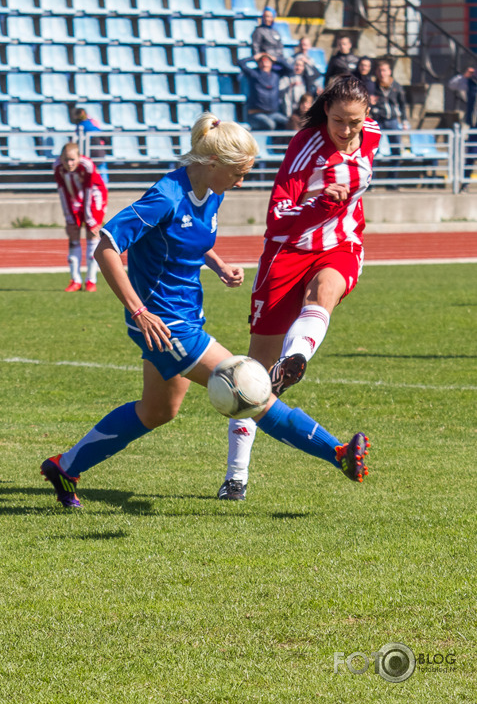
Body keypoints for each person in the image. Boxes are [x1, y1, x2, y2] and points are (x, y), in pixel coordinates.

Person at [40, 112, 370, 509]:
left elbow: (188, 236)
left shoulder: (212, 190)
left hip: (185, 315)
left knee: (157, 410)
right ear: (214, 163)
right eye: (238, 173)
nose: (241, 182)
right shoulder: (166, 195)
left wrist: (217, 263)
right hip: (165, 324)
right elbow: (106, 246)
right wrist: (139, 310)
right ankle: (337, 453)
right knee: (251, 389)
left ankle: (65, 466)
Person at [218, 75, 378, 500]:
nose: (347, 131)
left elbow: (359, 178)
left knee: (326, 289)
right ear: (326, 110)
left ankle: (297, 357)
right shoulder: (303, 148)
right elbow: (278, 219)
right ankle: (236, 475)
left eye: (356, 123)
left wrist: (339, 211)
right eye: (340, 121)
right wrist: (322, 202)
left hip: (340, 244)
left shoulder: (372, 137)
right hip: (287, 253)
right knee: (252, 375)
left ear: (368, 115)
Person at [53, 142, 108, 292]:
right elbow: (62, 191)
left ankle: (91, 280)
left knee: (92, 233)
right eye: (66, 160)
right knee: (73, 233)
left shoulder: (87, 166)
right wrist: (68, 216)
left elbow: (90, 190)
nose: (69, 164)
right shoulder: (57, 167)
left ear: (79, 158)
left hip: (93, 198)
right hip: (74, 199)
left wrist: (91, 218)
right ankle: (75, 280)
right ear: (61, 158)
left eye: (72, 160)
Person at [370, 59, 409, 188]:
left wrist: (404, 120)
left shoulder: (396, 86)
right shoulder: (373, 86)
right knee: (373, 150)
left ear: (389, 72)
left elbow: (403, 104)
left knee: (396, 150)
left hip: (392, 120)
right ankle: (372, 182)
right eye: (380, 71)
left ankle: (392, 180)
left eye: (385, 70)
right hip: (379, 120)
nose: (382, 73)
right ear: (376, 72)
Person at [238, 52, 293, 130]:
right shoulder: (254, 73)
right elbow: (240, 63)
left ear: (271, 63)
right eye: (262, 61)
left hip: (273, 113)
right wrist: (253, 58)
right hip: (256, 113)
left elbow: (290, 69)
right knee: (270, 125)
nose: (264, 63)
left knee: (290, 124)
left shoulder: (276, 74)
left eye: (267, 61)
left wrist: (276, 59)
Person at [448, 66, 477, 191]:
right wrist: (465, 76)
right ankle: (465, 183)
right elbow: (452, 85)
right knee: (470, 155)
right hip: (474, 124)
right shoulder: (470, 82)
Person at [72, 106, 108, 185]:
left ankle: (99, 186)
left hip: (91, 151)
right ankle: (103, 187)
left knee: (94, 170)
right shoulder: (90, 123)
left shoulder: (81, 126)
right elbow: (102, 135)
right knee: (101, 170)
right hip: (97, 151)